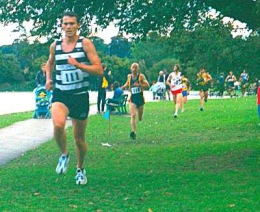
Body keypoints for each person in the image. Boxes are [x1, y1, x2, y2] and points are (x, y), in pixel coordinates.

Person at [45, 12, 103, 185]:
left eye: (72, 24)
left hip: (79, 96)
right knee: (57, 125)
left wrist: (78, 65)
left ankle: (80, 169)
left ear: (78, 26)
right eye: (66, 24)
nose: (69, 27)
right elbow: (50, 63)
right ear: (61, 26)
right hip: (61, 93)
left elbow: (99, 70)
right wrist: (48, 78)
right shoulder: (55, 45)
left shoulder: (85, 43)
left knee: (79, 140)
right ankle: (64, 154)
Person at [121, 62, 150, 140]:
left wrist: (140, 85)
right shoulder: (129, 77)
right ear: (130, 68)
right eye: (133, 67)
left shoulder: (141, 76)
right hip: (133, 98)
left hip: (140, 98)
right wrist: (123, 87)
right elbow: (127, 84)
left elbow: (147, 85)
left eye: (135, 67)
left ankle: (140, 117)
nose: (134, 69)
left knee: (139, 117)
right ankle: (133, 132)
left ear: (138, 69)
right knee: (133, 115)